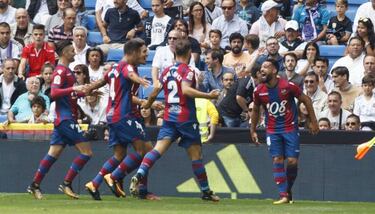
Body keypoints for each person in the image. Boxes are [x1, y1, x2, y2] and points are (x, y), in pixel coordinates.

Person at [130, 39, 221, 202]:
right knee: (196, 155)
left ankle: (140, 173)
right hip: (186, 118)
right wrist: (209, 96)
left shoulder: (166, 71)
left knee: (157, 150)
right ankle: (206, 192)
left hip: (169, 117)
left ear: (174, 53)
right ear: (188, 54)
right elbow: (185, 90)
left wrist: (148, 104)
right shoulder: (189, 70)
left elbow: (156, 89)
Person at [84, 38, 159, 201]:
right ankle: (116, 176)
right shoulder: (128, 67)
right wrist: (140, 80)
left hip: (112, 116)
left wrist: (89, 88)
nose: (146, 54)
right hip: (125, 115)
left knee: (119, 155)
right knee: (145, 151)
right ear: (133, 52)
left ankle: (94, 183)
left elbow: (103, 81)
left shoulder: (114, 68)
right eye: (144, 51)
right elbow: (129, 74)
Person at [27, 40, 92, 200]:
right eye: (71, 51)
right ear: (64, 53)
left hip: (62, 119)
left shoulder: (67, 72)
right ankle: (67, 183)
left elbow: (68, 95)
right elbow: (54, 94)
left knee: (53, 154)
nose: (74, 53)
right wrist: (74, 88)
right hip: (65, 119)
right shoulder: (60, 72)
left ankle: (34, 185)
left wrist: (83, 93)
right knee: (87, 152)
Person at [250, 58, 319, 204]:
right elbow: (256, 110)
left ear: (274, 71)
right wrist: (253, 129)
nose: (262, 70)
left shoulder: (288, 86)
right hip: (272, 130)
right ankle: (283, 195)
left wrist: (313, 122)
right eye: (261, 67)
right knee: (277, 159)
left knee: (293, 161)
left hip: (290, 128)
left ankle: (288, 189)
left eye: (266, 67)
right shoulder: (258, 90)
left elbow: (306, 100)